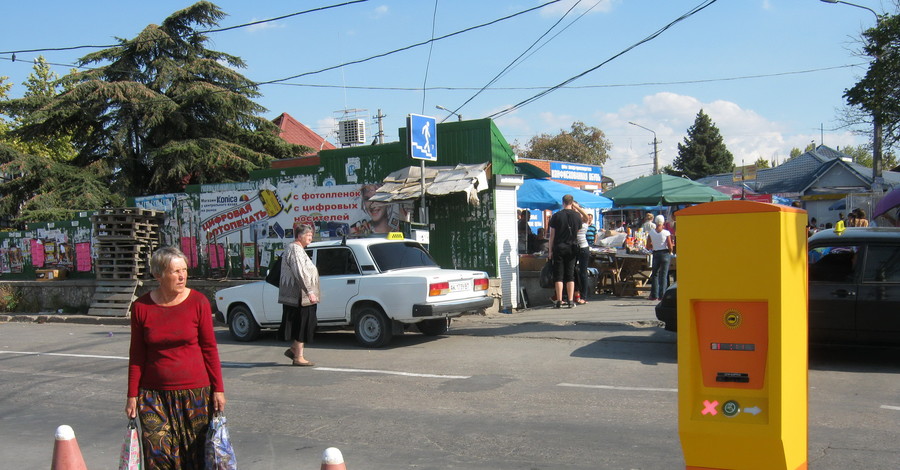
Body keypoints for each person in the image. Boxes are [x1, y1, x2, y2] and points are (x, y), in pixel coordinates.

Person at [126, 246, 226, 469]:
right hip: (153, 396)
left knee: (195, 456)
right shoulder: (141, 307)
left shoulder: (198, 302)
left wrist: (218, 389)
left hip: (196, 393)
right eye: (175, 271)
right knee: (158, 453)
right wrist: (132, 394)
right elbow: (137, 355)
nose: (182, 276)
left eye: (184, 270)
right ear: (158, 274)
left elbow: (209, 349)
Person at [279, 223, 321, 366]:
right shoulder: (295, 249)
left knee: (306, 324)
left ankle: (294, 351)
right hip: (299, 296)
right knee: (302, 325)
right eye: (308, 235)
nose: (311, 238)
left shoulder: (299, 249)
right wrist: (309, 291)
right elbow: (299, 272)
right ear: (299, 236)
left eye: (311, 235)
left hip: (303, 296)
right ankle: (298, 357)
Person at [548, 194, 583, 309]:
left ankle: (559, 300)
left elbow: (552, 236)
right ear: (572, 203)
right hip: (572, 247)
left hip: (559, 247)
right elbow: (577, 232)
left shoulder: (556, 216)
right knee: (570, 274)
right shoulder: (577, 216)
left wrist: (550, 251)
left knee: (558, 275)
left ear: (562, 202)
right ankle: (571, 300)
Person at [647, 215, 674, 302]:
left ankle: (654, 295)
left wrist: (654, 245)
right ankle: (662, 295)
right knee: (664, 275)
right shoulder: (666, 233)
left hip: (656, 253)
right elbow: (670, 246)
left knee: (655, 274)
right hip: (665, 253)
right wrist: (670, 252)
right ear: (662, 223)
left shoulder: (651, 233)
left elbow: (648, 246)